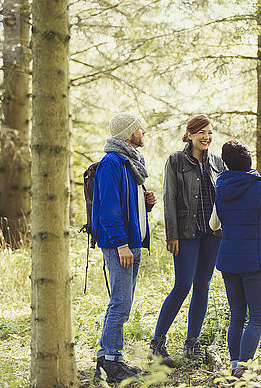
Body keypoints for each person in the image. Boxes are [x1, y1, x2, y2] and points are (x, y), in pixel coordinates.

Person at [149, 115, 225, 365]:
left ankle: (192, 344)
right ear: (190, 134)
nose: (206, 137)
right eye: (201, 132)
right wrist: (172, 234)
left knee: (202, 287)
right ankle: (157, 345)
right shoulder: (176, 160)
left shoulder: (217, 161)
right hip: (186, 232)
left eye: (210, 132)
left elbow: (225, 194)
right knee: (183, 285)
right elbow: (169, 198)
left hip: (212, 233)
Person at [209, 140, 261, 378]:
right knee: (258, 317)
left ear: (226, 163)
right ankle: (243, 368)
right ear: (248, 159)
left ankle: (234, 366)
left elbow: (214, 224)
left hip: (229, 261)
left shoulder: (220, 185)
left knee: (237, 315)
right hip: (256, 261)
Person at [92, 112, 157, 383]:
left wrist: (146, 203)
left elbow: (127, 205)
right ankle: (111, 361)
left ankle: (110, 356)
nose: (143, 131)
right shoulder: (111, 163)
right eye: (138, 128)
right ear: (128, 134)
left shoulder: (130, 162)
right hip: (121, 245)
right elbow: (108, 209)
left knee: (123, 303)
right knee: (120, 304)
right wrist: (121, 244)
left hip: (132, 243)